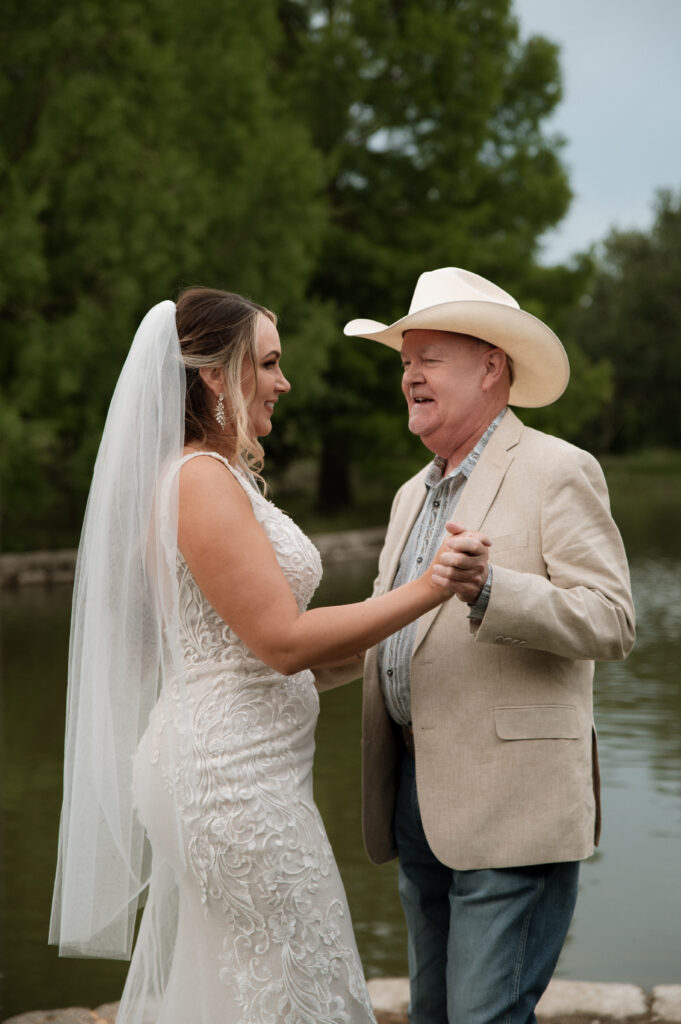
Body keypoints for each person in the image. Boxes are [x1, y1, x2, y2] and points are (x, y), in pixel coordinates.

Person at [49, 287, 478, 1024]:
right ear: (215, 374)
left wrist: (388, 655)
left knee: (248, 984)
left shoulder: (214, 478)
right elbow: (280, 643)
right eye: (270, 363)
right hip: (232, 782)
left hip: (237, 766)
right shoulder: (198, 482)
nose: (283, 382)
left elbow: (265, 651)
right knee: (291, 979)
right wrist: (431, 586)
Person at [341, 268, 636, 1024]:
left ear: (490, 367)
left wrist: (488, 589)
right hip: (414, 793)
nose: (408, 374)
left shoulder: (556, 468)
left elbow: (610, 620)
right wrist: (274, 662)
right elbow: (389, 629)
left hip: (515, 804)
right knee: (437, 1015)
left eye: (429, 357)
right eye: (405, 360)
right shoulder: (413, 493)